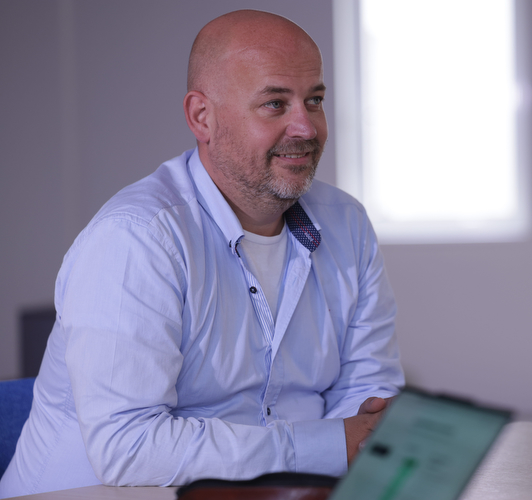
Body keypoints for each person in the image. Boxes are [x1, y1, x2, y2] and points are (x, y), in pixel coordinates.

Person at [0, 9, 403, 498]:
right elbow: (129, 448)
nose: (306, 127)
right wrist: (325, 446)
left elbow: (367, 400)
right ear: (201, 117)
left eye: (314, 100)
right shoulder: (136, 239)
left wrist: (349, 446)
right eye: (275, 104)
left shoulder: (346, 224)